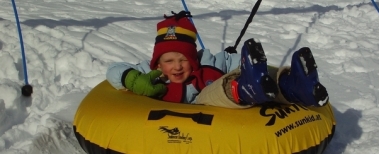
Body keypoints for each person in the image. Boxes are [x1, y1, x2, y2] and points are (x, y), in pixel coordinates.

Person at [106, 11, 329, 109]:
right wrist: (133, 79)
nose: (176, 66)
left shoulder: (208, 64)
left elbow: (234, 64)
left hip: (223, 111)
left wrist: (247, 66)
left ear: (193, 58)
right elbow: (114, 70)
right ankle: (243, 90)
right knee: (213, 93)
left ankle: (294, 86)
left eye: (183, 59)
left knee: (256, 75)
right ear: (157, 62)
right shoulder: (150, 73)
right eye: (169, 60)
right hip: (209, 104)